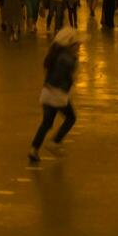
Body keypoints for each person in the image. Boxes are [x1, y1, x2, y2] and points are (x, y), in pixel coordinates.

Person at [28, 27, 81, 164]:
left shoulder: (55, 54)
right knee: (71, 118)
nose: (79, 47)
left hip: (47, 93)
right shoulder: (67, 58)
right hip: (57, 95)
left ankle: (34, 149)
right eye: (77, 44)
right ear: (70, 45)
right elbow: (65, 75)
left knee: (46, 123)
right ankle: (55, 142)